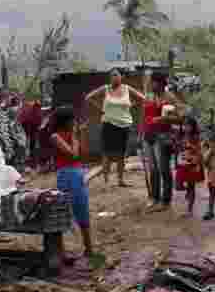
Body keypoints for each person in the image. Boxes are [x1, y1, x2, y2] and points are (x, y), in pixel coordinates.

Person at [130, 72, 183, 212]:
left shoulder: (170, 97)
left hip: (162, 136)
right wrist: (140, 134)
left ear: (160, 83)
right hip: (148, 136)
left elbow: (180, 117)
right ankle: (154, 197)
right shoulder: (148, 96)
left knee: (163, 169)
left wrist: (163, 119)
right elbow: (143, 116)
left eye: (152, 82)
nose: (150, 84)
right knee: (152, 169)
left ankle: (166, 200)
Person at [50, 106, 95, 260]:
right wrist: (76, 136)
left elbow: (84, 154)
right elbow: (73, 155)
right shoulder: (55, 137)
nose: (75, 122)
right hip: (66, 175)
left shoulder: (71, 135)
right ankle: (62, 252)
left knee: (82, 210)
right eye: (73, 120)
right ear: (66, 121)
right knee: (63, 212)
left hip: (77, 174)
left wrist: (80, 135)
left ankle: (89, 249)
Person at [86, 68, 135, 186]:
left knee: (121, 154)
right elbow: (88, 97)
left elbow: (142, 98)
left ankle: (120, 180)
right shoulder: (106, 88)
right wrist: (101, 109)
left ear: (121, 77)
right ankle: (106, 180)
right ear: (110, 78)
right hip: (108, 124)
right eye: (112, 76)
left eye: (116, 75)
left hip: (124, 125)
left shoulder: (127, 89)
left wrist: (130, 106)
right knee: (107, 153)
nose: (114, 77)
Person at [174, 116, 204, 217]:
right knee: (178, 185)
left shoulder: (195, 137)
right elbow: (177, 148)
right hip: (182, 162)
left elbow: (199, 151)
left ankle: (189, 210)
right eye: (185, 125)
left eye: (189, 125)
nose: (186, 127)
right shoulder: (180, 135)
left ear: (193, 126)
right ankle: (187, 191)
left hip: (192, 163)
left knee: (191, 186)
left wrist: (192, 147)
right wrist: (176, 144)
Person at [17, 98, 44, 171]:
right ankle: (30, 161)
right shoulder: (30, 110)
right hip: (28, 129)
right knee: (30, 143)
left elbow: (38, 121)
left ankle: (31, 161)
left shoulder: (34, 110)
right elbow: (25, 121)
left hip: (31, 130)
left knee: (31, 143)